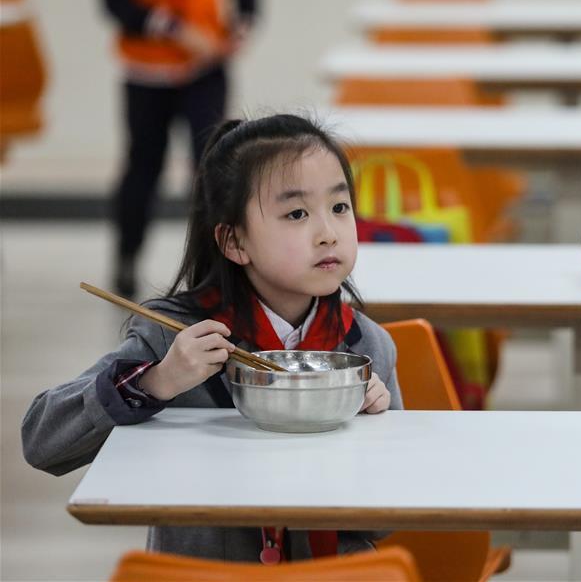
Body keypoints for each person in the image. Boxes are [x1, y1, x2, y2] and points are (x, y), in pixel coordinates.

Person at [22, 114, 403, 562]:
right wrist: (155, 382)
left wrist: (372, 433)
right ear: (234, 242)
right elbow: (42, 441)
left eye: (339, 207)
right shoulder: (177, 340)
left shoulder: (365, 347)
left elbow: (383, 521)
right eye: (297, 213)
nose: (328, 234)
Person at [102, 0, 257, 297]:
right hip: (148, 71)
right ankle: (127, 257)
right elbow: (116, 2)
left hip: (206, 70)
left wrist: (238, 28)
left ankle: (215, 269)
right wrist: (175, 29)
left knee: (211, 167)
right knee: (143, 167)